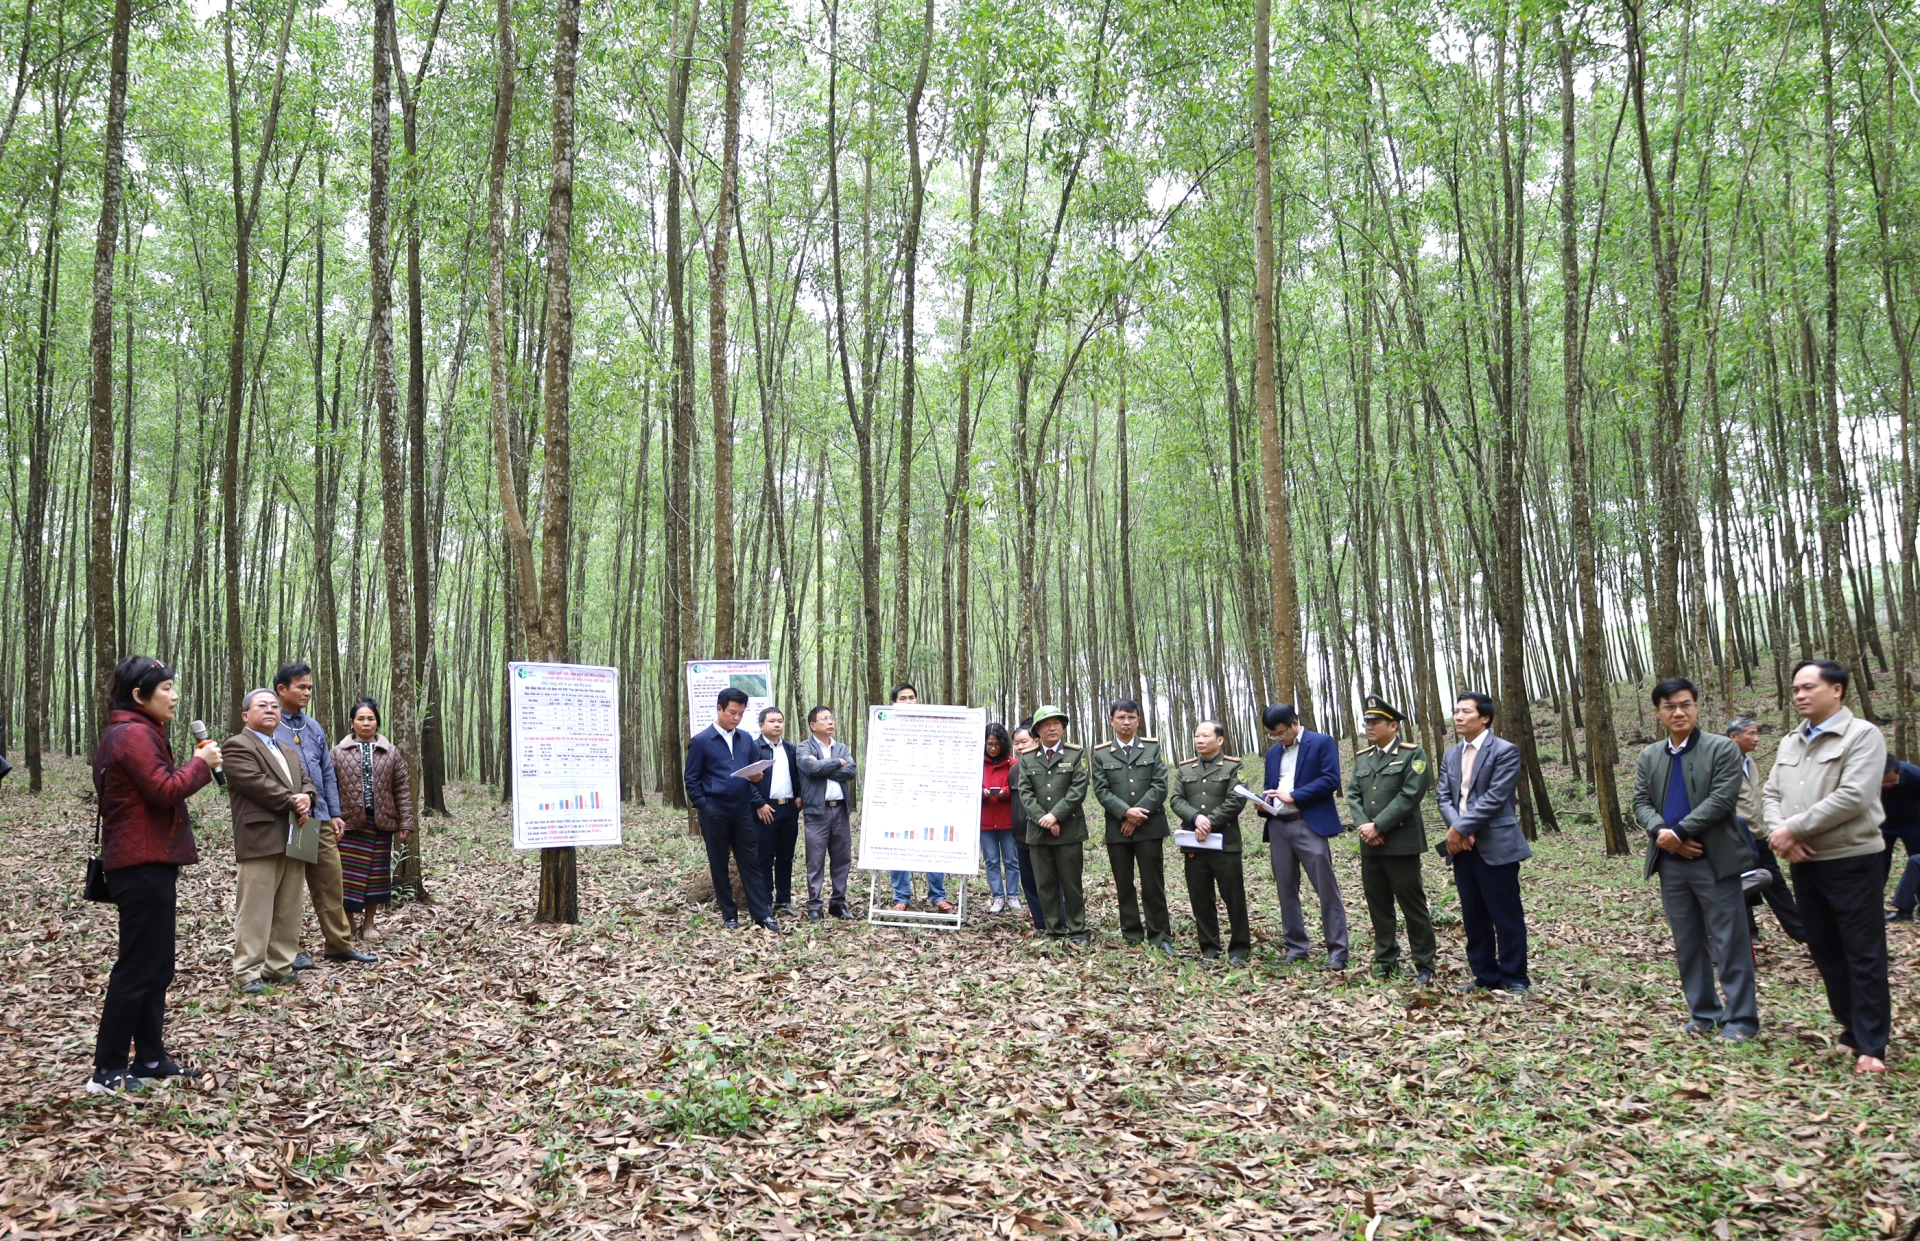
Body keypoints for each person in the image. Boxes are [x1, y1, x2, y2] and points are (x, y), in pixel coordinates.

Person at [87, 656, 220, 1095]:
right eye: (165, 689)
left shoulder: (135, 731)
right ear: (139, 696)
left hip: (149, 860)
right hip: (140, 863)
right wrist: (201, 763)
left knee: (156, 966)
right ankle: (106, 1069)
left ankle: (149, 1057)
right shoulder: (134, 735)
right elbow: (163, 790)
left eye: (173, 687)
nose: (174, 696)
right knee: (137, 967)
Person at [1762, 659, 1891, 1075]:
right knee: (1824, 948)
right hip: (1805, 861)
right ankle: (1850, 1031)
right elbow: (1770, 794)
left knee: (1862, 951)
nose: (1799, 694)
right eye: (1796, 688)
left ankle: (1873, 1044)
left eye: (1808, 687)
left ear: (1837, 690)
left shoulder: (1862, 736)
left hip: (1853, 859)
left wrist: (1794, 829)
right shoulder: (1789, 742)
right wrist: (1782, 834)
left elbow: (1854, 795)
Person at [1632, 678, 1757, 1041]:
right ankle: (1703, 1013)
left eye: (1685, 704)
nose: (1678, 712)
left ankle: (1742, 1021)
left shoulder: (1722, 749)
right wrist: (1662, 835)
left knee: (1729, 941)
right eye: (1669, 706)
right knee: (1688, 941)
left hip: (1713, 859)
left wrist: (1681, 832)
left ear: (1697, 707)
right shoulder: (1651, 755)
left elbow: (1722, 800)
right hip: (1670, 863)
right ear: (1659, 713)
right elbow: (1641, 802)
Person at [274, 663, 374, 968]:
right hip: (291, 818)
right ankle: (290, 950)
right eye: (301, 687)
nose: (307, 692)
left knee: (330, 882)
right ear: (282, 689)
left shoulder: (314, 727)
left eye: (309, 688)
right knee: (290, 888)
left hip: (320, 817)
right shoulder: (270, 724)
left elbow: (326, 774)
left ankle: (338, 944)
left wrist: (333, 813)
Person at [225, 688, 320, 995]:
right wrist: (294, 801)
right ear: (246, 715)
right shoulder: (238, 746)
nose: (270, 710)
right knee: (255, 909)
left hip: (295, 835)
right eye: (262, 705)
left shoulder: (287, 748)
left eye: (275, 707)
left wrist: (308, 798)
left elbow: (306, 780)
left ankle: (279, 966)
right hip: (260, 836)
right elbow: (256, 784)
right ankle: (248, 973)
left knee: (289, 906)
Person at [1435, 691, 1531, 994]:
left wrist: (1461, 826)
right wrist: (1457, 829)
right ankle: (1484, 976)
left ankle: (1515, 978)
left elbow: (1495, 797)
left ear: (1485, 717)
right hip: (1462, 847)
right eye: (1456, 711)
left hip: (1497, 845)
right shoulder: (1451, 754)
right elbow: (1443, 796)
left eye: (1466, 712)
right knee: (1473, 915)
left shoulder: (1504, 750)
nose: (1459, 717)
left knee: (1506, 915)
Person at [1347, 695, 1436, 983]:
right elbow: (1353, 795)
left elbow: (1410, 795)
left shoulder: (1412, 754)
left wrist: (1379, 826)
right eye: (1368, 722)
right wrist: (1364, 826)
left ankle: (1424, 962)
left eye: (1376, 722)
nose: (1369, 727)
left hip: (1400, 843)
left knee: (1412, 905)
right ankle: (1386, 959)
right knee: (1379, 905)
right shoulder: (1363, 758)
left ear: (1393, 725)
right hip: (1370, 845)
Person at [1256, 703, 1348, 970]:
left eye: (1282, 732)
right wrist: (1263, 801)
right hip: (1278, 826)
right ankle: (1296, 948)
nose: (1278, 738)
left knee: (1326, 888)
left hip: (1309, 823)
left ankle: (1338, 952)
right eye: (1273, 734)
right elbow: (1270, 786)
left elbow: (1331, 779)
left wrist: (1295, 796)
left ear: (1295, 722)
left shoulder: (1321, 742)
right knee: (1285, 889)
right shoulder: (1273, 753)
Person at [684, 687, 780, 932]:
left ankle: (762, 915)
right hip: (714, 811)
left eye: (740, 714)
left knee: (751, 862)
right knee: (719, 863)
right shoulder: (702, 741)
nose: (736, 718)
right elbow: (691, 779)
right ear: (719, 709)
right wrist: (705, 807)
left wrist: (756, 779)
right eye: (732, 713)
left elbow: (750, 773)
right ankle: (729, 915)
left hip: (742, 811)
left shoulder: (746, 739)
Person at [1091, 698, 1173, 956]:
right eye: (1121, 717)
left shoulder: (1152, 748)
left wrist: (1137, 815)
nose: (1126, 722)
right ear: (1112, 721)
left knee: (1153, 882)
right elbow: (1101, 790)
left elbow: (1160, 785)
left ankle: (1160, 935)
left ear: (1138, 720)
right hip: (1118, 828)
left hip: (1149, 826)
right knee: (1123, 882)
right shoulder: (1101, 753)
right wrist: (1125, 813)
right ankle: (1131, 933)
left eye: (1131, 717)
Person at [329, 698, 414, 941]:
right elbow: (329, 786)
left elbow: (402, 788)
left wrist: (406, 821)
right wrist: (331, 816)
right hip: (348, 823)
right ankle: (349, 922)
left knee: (376, 876)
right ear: (352, 722)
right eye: (361, 718)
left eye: (371, 718)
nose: (366, 723)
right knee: (347, 875)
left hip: (381, 823)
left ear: (377, 722)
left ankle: (369, 923)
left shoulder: (392, 752)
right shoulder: (337, 753)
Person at [1169, 721, 1251, 964]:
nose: (1200, 740)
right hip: (1194, 844)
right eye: (1196, 736)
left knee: (1233, 897)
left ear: (1220, 740)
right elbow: (1176, 799)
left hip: (1225, 843)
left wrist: (1209, 822)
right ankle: (1209, 948)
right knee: (1201, 898)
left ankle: (1239, 949)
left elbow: (1237, 799)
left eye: (1205, 735)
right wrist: (1195, 818)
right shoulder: (1185, 769)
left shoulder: (1233, 767)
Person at [1728, 717, 1806, 944]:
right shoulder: (1722, 763)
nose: (1756, 738)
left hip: (1758, 833)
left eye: (1757, 733)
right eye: (1751, 734)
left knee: (1774, 881)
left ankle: (1799, 930)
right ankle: (1749, 936)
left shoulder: (1748, 762)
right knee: (1743, 884)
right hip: (1737, 836)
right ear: (1734, 737)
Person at [1016, 705, 1089, 945]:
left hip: (1069, 830)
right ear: (1037, 730)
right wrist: (1043, 819)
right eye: (1046, 724)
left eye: (1057, 723)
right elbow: (1025, 793)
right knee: (1045, 885)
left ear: (1063, 727)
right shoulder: (1027, 758)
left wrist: (1056, 816)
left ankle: (1078, 931)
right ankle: (1054, 931)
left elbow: (1078, 789)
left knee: (1072, 884)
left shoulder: (1075, 754)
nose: (1052, 728)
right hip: (1038, 832)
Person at [886, 683, 951, 913]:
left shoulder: (931, 726)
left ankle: (938, 895)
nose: (907, 702)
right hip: (898, 797)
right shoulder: (886, 728)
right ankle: (901, 896)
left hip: (928, 796)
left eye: (911, 697)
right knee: (899, 846)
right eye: (902, 698)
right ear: (894, 703)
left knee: (932, 844)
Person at [796, 706, 857, 922]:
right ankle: (814, 905)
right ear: (813, 725)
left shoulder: (842, 747)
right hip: (816, 811)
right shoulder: (804, 747)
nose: (830, 721)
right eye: (824, 719)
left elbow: (851, 771)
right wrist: (835, 764)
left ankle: (838, 903)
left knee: (842, 858)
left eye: (831, 718)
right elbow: (809, 769)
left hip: (840, 809)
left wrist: (823, 766)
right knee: (816, 859)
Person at [753, 707, 802, 917]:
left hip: (789, 808)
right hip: (766, 809)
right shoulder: (754, 748)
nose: (777, 725)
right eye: (772, 721)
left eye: (780, 721)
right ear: (761, 725)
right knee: (764, 858)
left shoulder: (791, 749)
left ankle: (784, 900)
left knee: (785, 857)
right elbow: (746, 780)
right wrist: (758, 804)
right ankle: (765, 902)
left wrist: (799, 796)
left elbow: (798, 775)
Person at [980, 723, 1022, 914]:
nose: (993, 748)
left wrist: (1003, 793)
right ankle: (997, 897)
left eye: (997, 744)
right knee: (991, 861)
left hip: (1007, 820)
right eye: (989, 744)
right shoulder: (978, 764)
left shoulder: (1012, 764)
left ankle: (1013, 896)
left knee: (1011, 859)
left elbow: (1018, 790)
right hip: (985, 821)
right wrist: (983, 793)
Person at [1010, 723, 1046, 930]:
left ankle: (1059, 919)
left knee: (1048, 881)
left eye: (1024, 741)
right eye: (1016, 743)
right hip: (1020, 835)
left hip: (1041, 833)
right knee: (1029, 882)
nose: (1020, 746)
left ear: (1036, 741)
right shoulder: (1014, 770)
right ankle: (1040, 922)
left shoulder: (1043, 766)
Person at [1880, 754, 1920, 918]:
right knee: (1878, 865)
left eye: (1892, 781)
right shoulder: (1868, 776)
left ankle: (1910, 909)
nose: (1889, 785)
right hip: (1883, 823)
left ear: (1899, 773)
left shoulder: (1914, 774)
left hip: (1913, 822)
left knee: (1916, 862)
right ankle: (1873, 907)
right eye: (1885, 783)